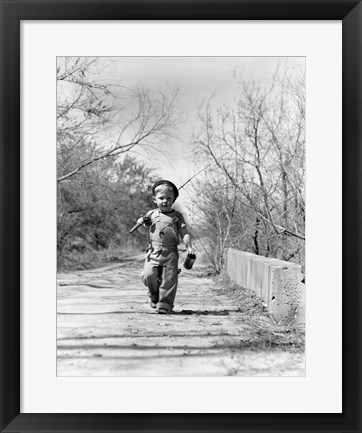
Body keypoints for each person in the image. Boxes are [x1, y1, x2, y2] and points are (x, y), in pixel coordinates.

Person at [135, 180, 194, 314]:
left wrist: (189, 246)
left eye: (169, 198)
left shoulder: (177, 217)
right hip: (153, 251)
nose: (165, 201)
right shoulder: (151, 215)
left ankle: (165, 304)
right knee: (149, 275)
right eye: (161, 198)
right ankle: (154, 295)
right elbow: (144, 231)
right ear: (154, 199)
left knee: (169, 278)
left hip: (171, 252)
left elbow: (184, 233)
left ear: (173, 200)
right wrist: (141, 224)